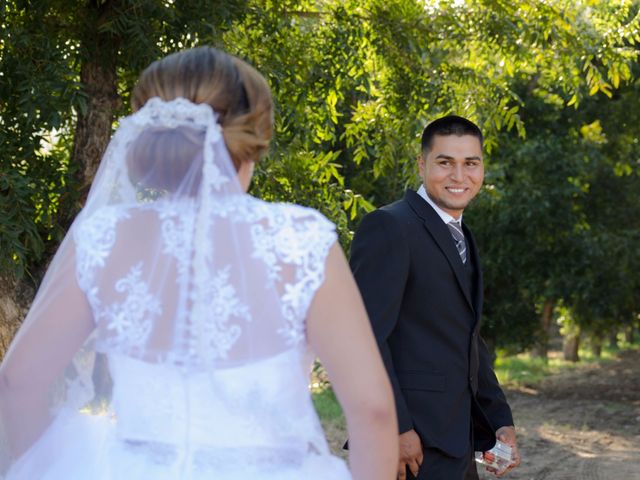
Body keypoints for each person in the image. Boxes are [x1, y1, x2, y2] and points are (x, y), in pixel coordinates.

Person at [0, 46, 397, 480]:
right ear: (253, 135)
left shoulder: (102, 238)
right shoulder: (300, 240)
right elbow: (373, 409)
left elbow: (17, 383)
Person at [349, 115, 521, 480]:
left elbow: (467, 337)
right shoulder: (389, 227)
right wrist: (395, 428)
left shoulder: (462, 235)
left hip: (456, 439)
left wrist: (499, 420)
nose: (459, 176)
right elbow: (363, 338)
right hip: (409, 446)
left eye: (470, 163)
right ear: (422, 164)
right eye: (445, 162)